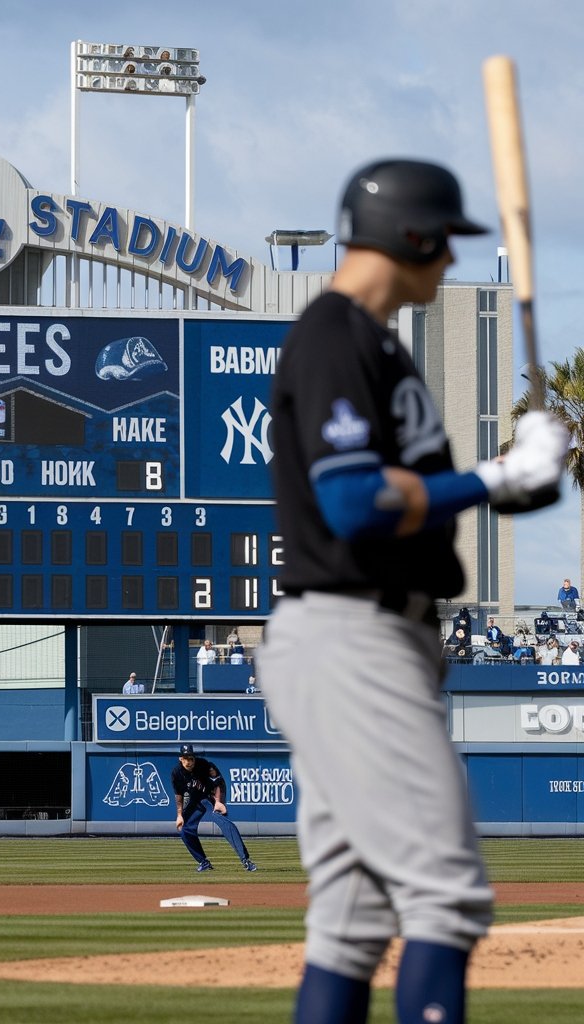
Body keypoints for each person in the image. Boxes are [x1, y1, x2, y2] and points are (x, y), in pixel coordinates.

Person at [257, 158, 569, 1024]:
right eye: (445, 246)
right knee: (447, 897)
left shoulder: (377, 343)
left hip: (366, 633)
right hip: (352, 633)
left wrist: (525, 479)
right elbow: (354, 503)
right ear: (415, 237)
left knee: (353, 924)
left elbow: (425, 500)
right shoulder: (334, 334)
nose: (449, 266)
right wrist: (494, 476)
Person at [170, 743, 257, 873]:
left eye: (191, 758)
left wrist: (218, 801)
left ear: (194, 758)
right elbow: (178, 796)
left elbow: (219, 782)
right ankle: (204, 862)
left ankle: (246, 860)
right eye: (185, 758)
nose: (188, 762)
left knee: (223, 822)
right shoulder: (176, 773)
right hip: (197, 799)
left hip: (212, 795)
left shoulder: (204, 765)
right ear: (180, 759)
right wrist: (179, 815)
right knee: (185, 830)